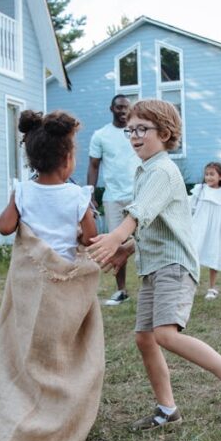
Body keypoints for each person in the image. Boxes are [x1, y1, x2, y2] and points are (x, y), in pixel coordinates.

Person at [88, 100, 221, 431]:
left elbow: (139, 212)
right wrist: (127, 248)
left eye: (142, 129)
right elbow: (153, 224)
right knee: (144, 338)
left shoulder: (163, 171)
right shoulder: (145, 171)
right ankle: (167, 410)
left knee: (165, 334)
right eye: (130, 130)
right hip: (154, 267)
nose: (134, 136)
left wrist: (115, 236)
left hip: (174, 267)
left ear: (164, 133)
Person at [0, 111, 103, 441]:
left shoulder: (22, 191)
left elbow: (5, 227)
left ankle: (27, 408)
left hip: (31, 287)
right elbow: (88, 237)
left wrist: (17, 201)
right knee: (60, 352)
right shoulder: (75, 196)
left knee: (29, 350)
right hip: (63, 289)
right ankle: (59, 414)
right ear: (67, 160)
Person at [87, 94, 139, 306]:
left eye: (126, 107)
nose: (122, 110)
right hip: (113, 197)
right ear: (111, 109)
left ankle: (151, 287)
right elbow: (93, 166)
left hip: (138, 195)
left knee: (147, 239)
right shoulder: (101, 135)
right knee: (115, 243)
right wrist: (90, 194)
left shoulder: (138, 132)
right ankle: (121, 290)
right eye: (118, 107)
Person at [189, 162, 221, 300]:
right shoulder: (200, 190)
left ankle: (211, 288)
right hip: (199, 227)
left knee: (213, 255)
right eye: (206, 174)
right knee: (193, 255)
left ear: (220, 177)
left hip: (215, 230)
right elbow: (190, 207)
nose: (208, 177)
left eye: (212, 174)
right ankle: (192, 285)